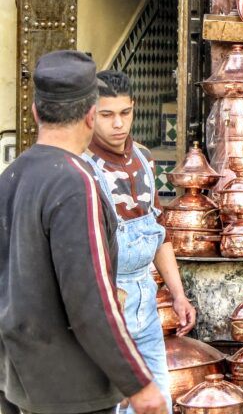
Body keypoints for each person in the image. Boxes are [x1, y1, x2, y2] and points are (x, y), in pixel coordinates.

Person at [0, 51, 166, 414]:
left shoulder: (12, 175)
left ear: (35, 111)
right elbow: (91, 301)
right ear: (92, 115)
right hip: (71, 391)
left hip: (19, 380)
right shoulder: (77, 182)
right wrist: (138, 383)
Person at [82, 71, 196, 413]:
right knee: (110, 405)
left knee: (156, 403)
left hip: (145, 303)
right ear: (90, 114)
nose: (118, 124)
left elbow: (159, 232)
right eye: (107, 115)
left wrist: (177, 294)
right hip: (105, 304)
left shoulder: (145, 159)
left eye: (125, 113)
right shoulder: (82, 166)